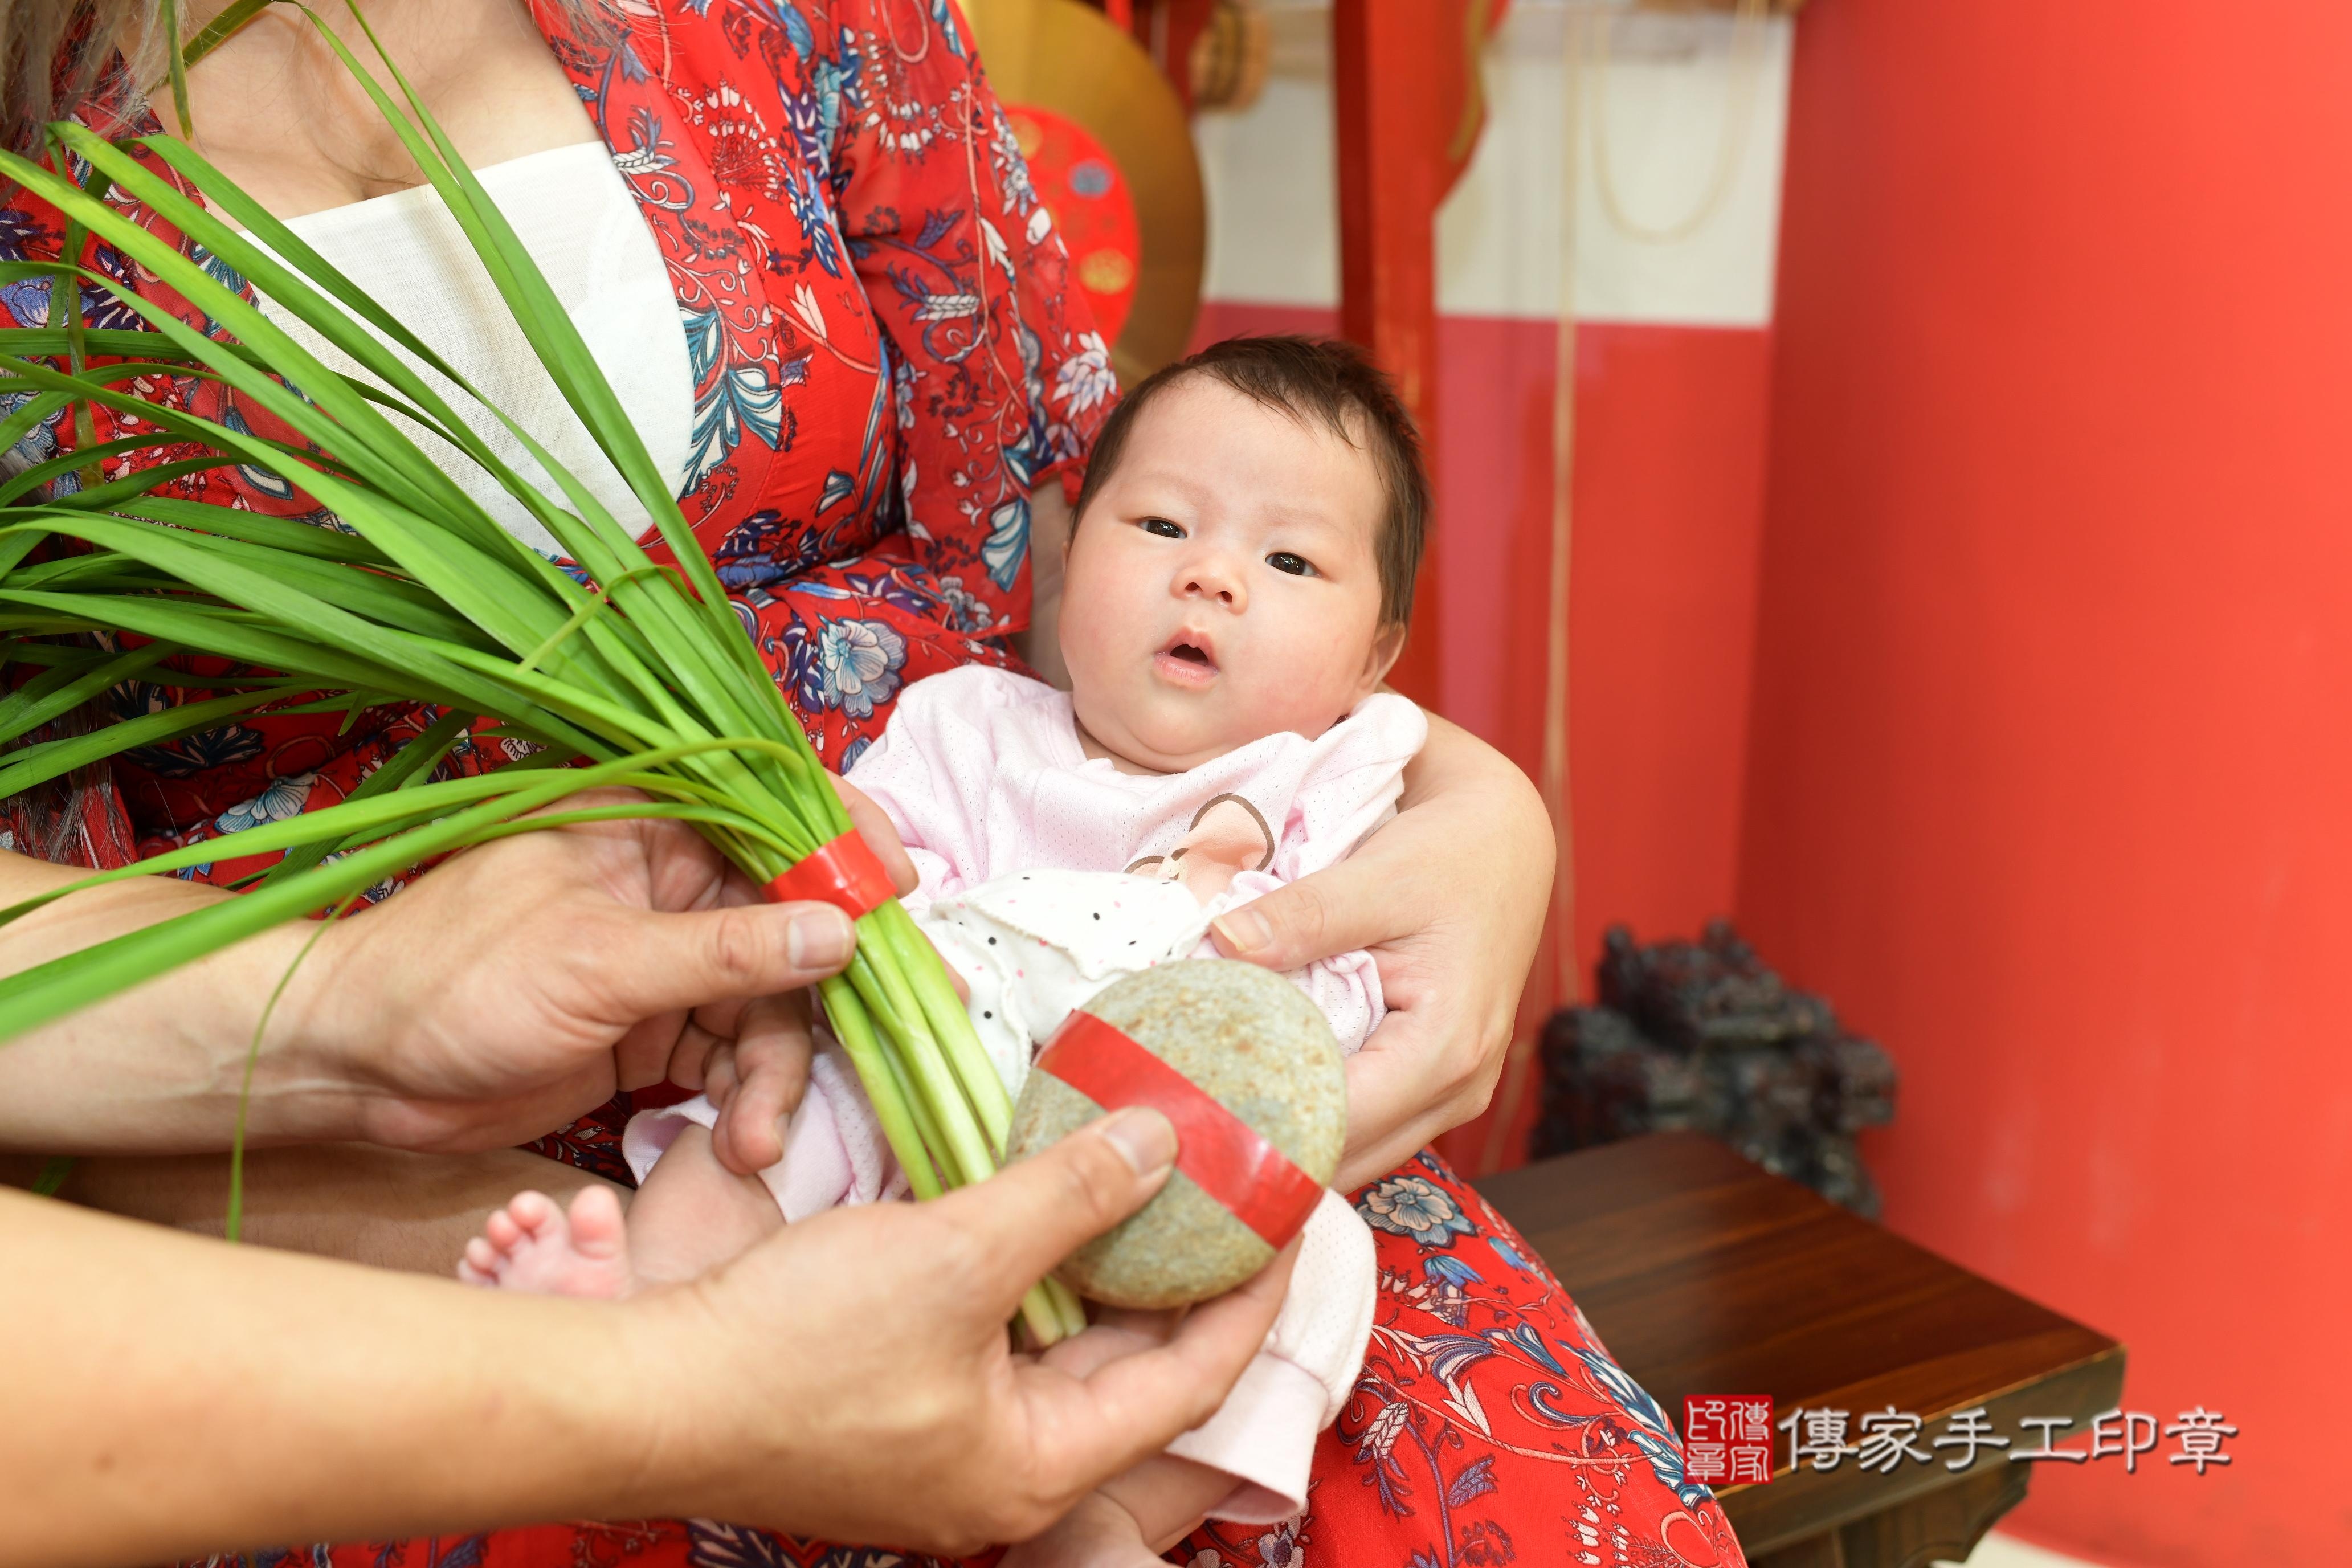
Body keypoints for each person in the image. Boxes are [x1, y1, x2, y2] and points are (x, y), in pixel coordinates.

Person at [2, 1, 1744, 1565]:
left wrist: (1472, 806)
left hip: (1106, 1056)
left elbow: (1114, 502)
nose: (1223, 572)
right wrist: (354, 1037)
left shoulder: (802, 18)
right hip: (355, 1183)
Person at [467, 337, 1424, 1566]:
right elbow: (872, 844)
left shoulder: (1320, 774)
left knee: (1321, 1263)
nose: (1214, 578)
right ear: (1070, 558)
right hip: (921, 1079)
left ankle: (1110, 1519)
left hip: (1165, 1143)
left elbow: (1354, 945)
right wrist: (796, 817)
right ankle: (632, 1316)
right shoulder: (971, 719)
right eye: (1164, 525)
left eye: (1290, 559)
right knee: (758, 1135)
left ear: (1374, 657)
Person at [0, 806, 1300, 1565]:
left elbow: (1100, 494)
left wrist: (1477, 802)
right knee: (749, 1163)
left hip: (728, 1019)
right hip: (793, 1112)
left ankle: (1109, 1519)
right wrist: (685, 1374)